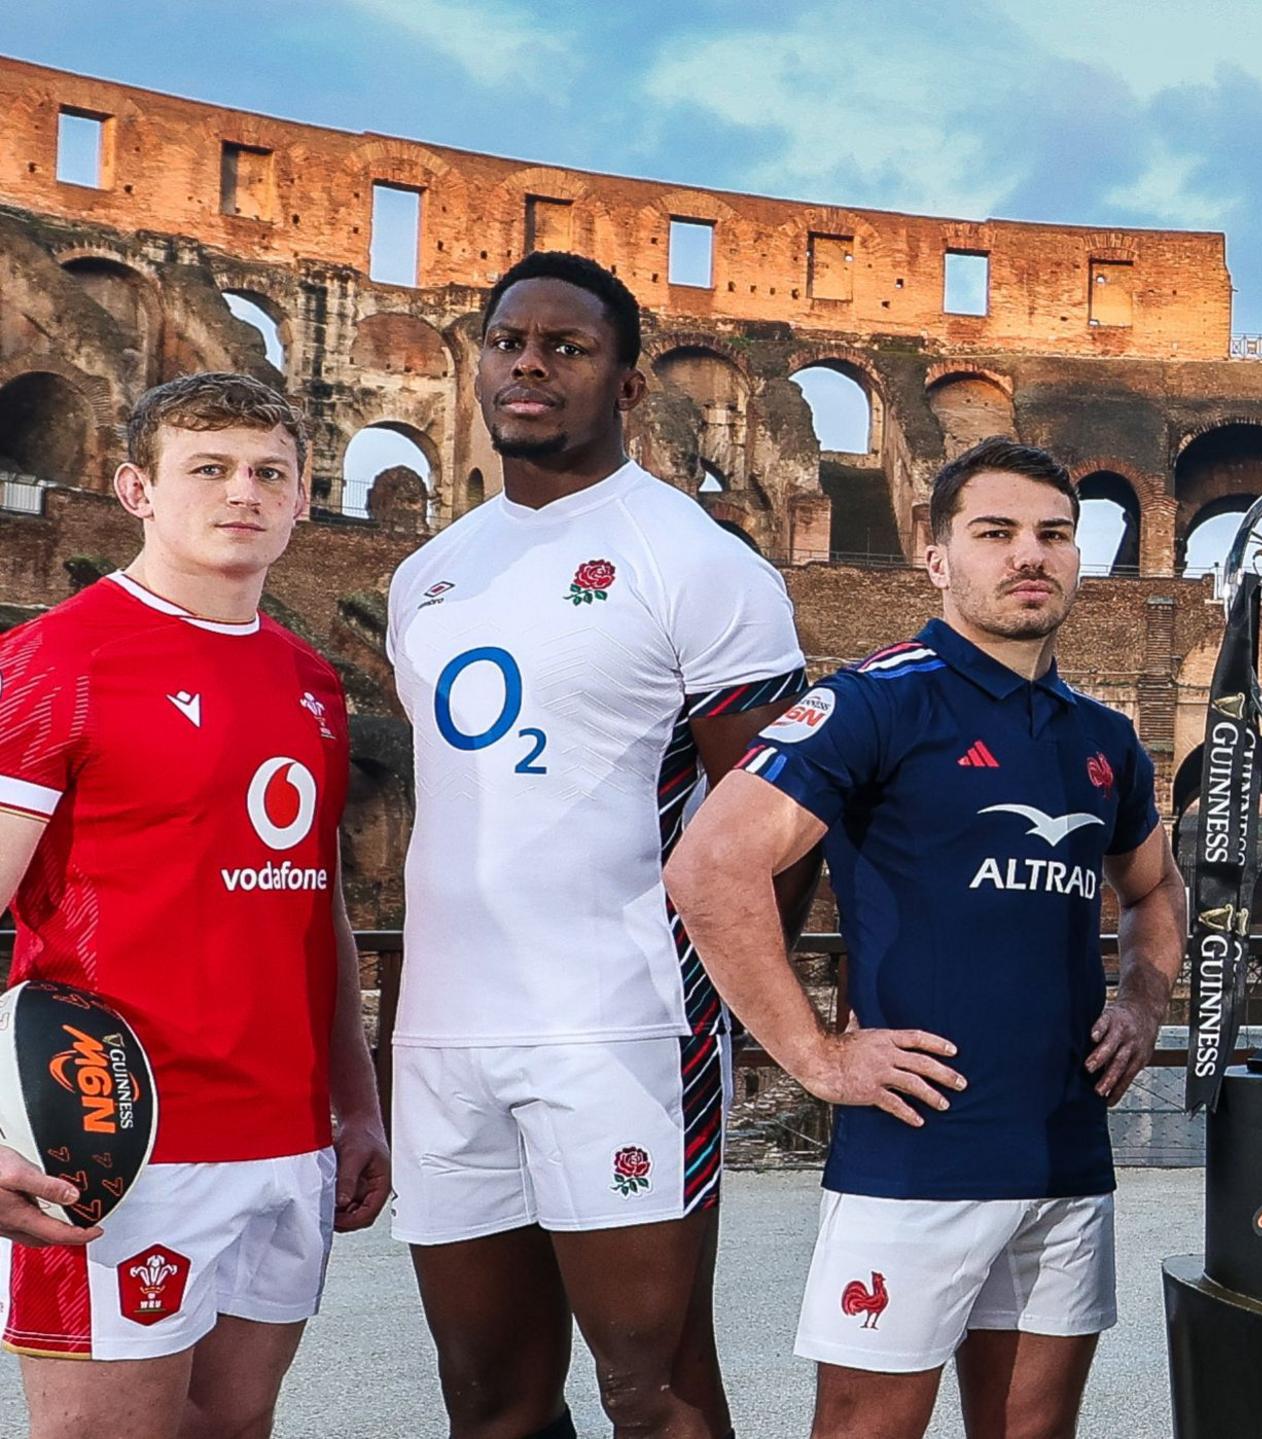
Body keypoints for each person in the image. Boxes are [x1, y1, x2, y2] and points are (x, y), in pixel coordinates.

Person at [665, 437, 1185, 1439]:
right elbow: (708, 866)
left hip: (1063, 1149)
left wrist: (1142, 998)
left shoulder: (1101, 736)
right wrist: (814, 1052)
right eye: (994, 533)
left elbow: (1154, 888)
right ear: (937, 555)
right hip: (916, 1152)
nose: (1028, 555)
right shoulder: (876, 698)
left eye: (1053, 534)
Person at [386, 252, 809, 1439]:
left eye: (568, 347)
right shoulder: (428, 573)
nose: (529, 364)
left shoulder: (698, 562)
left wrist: (752, 1006)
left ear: (626, 385)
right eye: (509, 340)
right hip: (446, 1030)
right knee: (486, 1398)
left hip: (618, 1020)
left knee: (656, 1389)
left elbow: (776, 821)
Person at [0, 372, 389, 1435]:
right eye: (208, 468)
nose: (243, 493)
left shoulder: (311, 679)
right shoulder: (55, 661)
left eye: (271, 473)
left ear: (305, 498)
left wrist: (356, 1103)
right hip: (112, 1133)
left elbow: (317, 909)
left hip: (285, 1136)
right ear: (137, 488)